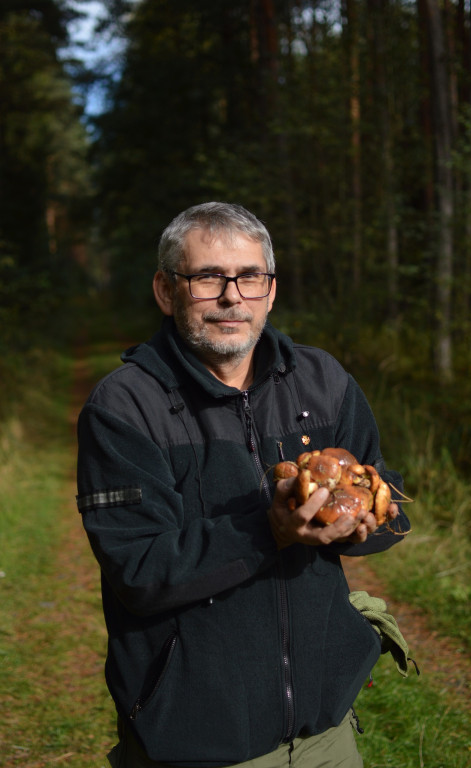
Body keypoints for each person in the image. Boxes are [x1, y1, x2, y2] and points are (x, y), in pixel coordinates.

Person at [76, 202, 410, 768]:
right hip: (193, 740)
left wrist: (363, 523)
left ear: (271, 291)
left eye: (250, 276)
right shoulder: (126, 407)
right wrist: (268, 530)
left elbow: (383, 494)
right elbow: (139, 569)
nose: (233, 297)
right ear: (165, 289)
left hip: (325, 733)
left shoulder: (323, 381)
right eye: (208, 277)